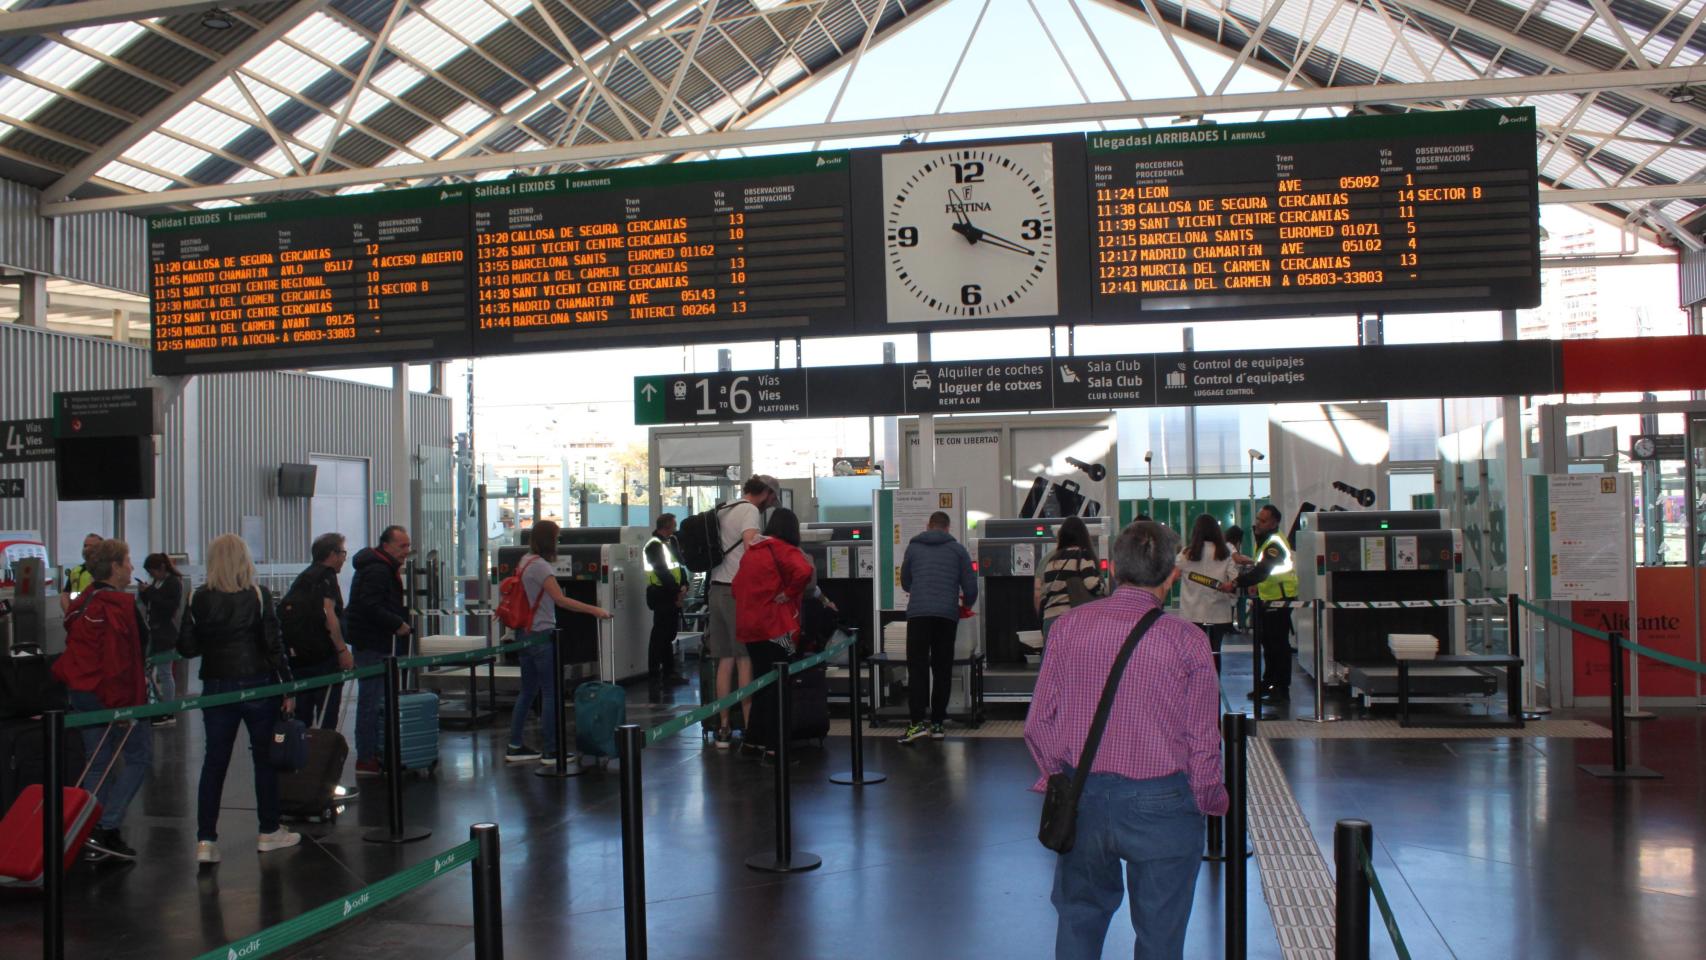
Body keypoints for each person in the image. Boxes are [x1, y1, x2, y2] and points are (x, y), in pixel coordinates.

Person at [1024, 520, 1227, 960]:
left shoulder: (1068, 629)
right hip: (1163, 803)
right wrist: (1208, 798)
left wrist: (1060, 779)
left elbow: (1037, 724)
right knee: (1160, 937)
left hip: (1084, 798)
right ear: (1173, 573)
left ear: (1114, 568)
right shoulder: (1188, 641)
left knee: (1079, 918)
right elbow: (1203, 740)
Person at [179, 533, 300, 864]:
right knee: (264, 760)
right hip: (259, 685)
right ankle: (268, 830)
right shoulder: (259, 596)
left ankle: (206, 840)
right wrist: (288, 687)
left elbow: (186, 648)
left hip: (216, 687)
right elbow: (274, 646)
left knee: (214, 762)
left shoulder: (196, 598)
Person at [51, 538, 151, 862]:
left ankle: (88, 829)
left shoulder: (83, 600)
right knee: (138, 757)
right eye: (127, 561)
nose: (132, 567)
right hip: (109, 695)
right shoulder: (118, 606)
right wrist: (125, 707)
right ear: (115, 567)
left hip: (80, 691)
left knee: (98, 763)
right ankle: (108, 826)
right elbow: (119, 662)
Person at [505, 520, 612, 765]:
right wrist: (595, 610)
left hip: (523, 634)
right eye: (557, 538)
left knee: (528, 691)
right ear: (549, 540)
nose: (559, 542)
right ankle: (552, 751)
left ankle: (514, 744)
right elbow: (561, 600)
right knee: (551, 693)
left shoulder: (524, 561)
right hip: (541, 635)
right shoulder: (541, 567)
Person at [732, 508, 818, 753]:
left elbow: (736, 587)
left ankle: (754, 740)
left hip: (750, 628)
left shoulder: (752, 552)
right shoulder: (784, 549)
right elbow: (804, 571)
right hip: (777, 629)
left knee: (761, 683)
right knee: (780, 686)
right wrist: (787, 593)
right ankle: (775, 745)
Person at [706, 475, 779, 748]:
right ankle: (750, 728)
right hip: (736, 592)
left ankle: (723, 726)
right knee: (745, 658)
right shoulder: (749, 510)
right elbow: (751, 545)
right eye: (771, 499)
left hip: (715, 588)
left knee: (725, 661)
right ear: (766, 494)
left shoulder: (724, 507)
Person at [899, 511, 978, 743]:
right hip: (946, 615)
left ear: (928, 525)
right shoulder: (958, 550)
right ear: (947, 528)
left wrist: (921, 590)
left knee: (918, 668)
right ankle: (937, 724)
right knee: (942, 668)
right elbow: (970, 587)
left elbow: (905, 581)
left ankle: (916, 725)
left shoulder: (913, 548)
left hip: (918, 615)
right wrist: (966, 604)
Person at [346, 525, 412, 776]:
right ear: (386, 545)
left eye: (407, 545)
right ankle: (366, 756)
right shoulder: (378, 570)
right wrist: (397, 623)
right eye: (402, 546)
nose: (406, 551)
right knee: (371, 700)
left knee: (376, 699)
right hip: (373, 643)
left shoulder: (378, 567)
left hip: (373, 640)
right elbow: (370, 605)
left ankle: (375, 751)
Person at [1222, 504, 1298, 703]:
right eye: (1258, 518)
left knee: (1278, 644)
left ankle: (1281, 688)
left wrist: (1237, 583)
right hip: (1268, 597)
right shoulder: (1264, 540)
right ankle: (1269, 682)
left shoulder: (1274, 543)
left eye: (1263, 520)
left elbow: (1263, 571)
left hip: (1280, 599)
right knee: (1268, 642)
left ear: (1274, 522)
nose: (1258, 523)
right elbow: (1262, 572)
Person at [284, 533, 354, 731]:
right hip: (323, 659)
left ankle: (302, 757)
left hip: (300, 659)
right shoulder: (326, 577)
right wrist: (342, 651)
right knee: (326, 718)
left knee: (302, 718)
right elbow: (329, 616)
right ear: (332, 554)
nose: (343, 559)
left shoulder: (304, 578)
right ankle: (322, 759)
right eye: (342, 553)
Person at [1177, 515, 1239, 672]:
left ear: (1195, 532)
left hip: (1192, 613)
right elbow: (1234, 581)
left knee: (1193, 656)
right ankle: (1215, 690)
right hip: (1218, 613)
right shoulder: (1225, 553)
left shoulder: (1186, 553)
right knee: (1215, 653)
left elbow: (1173, 574)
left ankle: (1197, 692)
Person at [1033, 516, 1103, 645]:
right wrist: (1104, 587)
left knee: (1051, 663)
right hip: (1072, 618)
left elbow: (1040, 592)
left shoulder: (1051, 560)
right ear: (1083, 535)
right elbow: (1091, 584)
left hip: (1050, 620)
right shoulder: (1082, 555)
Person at [139, 552, 189, 726]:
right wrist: (146, 594)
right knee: (153, 670)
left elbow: (168, 607)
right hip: (155, 632)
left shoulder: (173, 583)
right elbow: (153, 604)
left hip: (165, 633)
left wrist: (150, 592)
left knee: (164, 672)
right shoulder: (159, 582)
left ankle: (168, 711)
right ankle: (161, 706)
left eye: (152, 572)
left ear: (161, 568)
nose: (151, 576)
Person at [644, 513, 690, 695]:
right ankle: (656, 674)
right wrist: (677, 591)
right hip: (662, 594)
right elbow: (662, 571)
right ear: (668, 526)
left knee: (668, 634)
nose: (676, 528)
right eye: (674, 525)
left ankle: (668, 672)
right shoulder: (654, 546)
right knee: (660, 636)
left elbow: (678, 566)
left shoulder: (668, 543)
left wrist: (684, 584)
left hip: (670, 594)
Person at [58, 532, 103, 613]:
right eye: (85, 546)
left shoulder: (107, 570)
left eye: (91, 546)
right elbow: (65, 594)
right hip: (77, 617)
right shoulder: (76, 570)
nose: (86, 549)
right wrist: (69, 613)